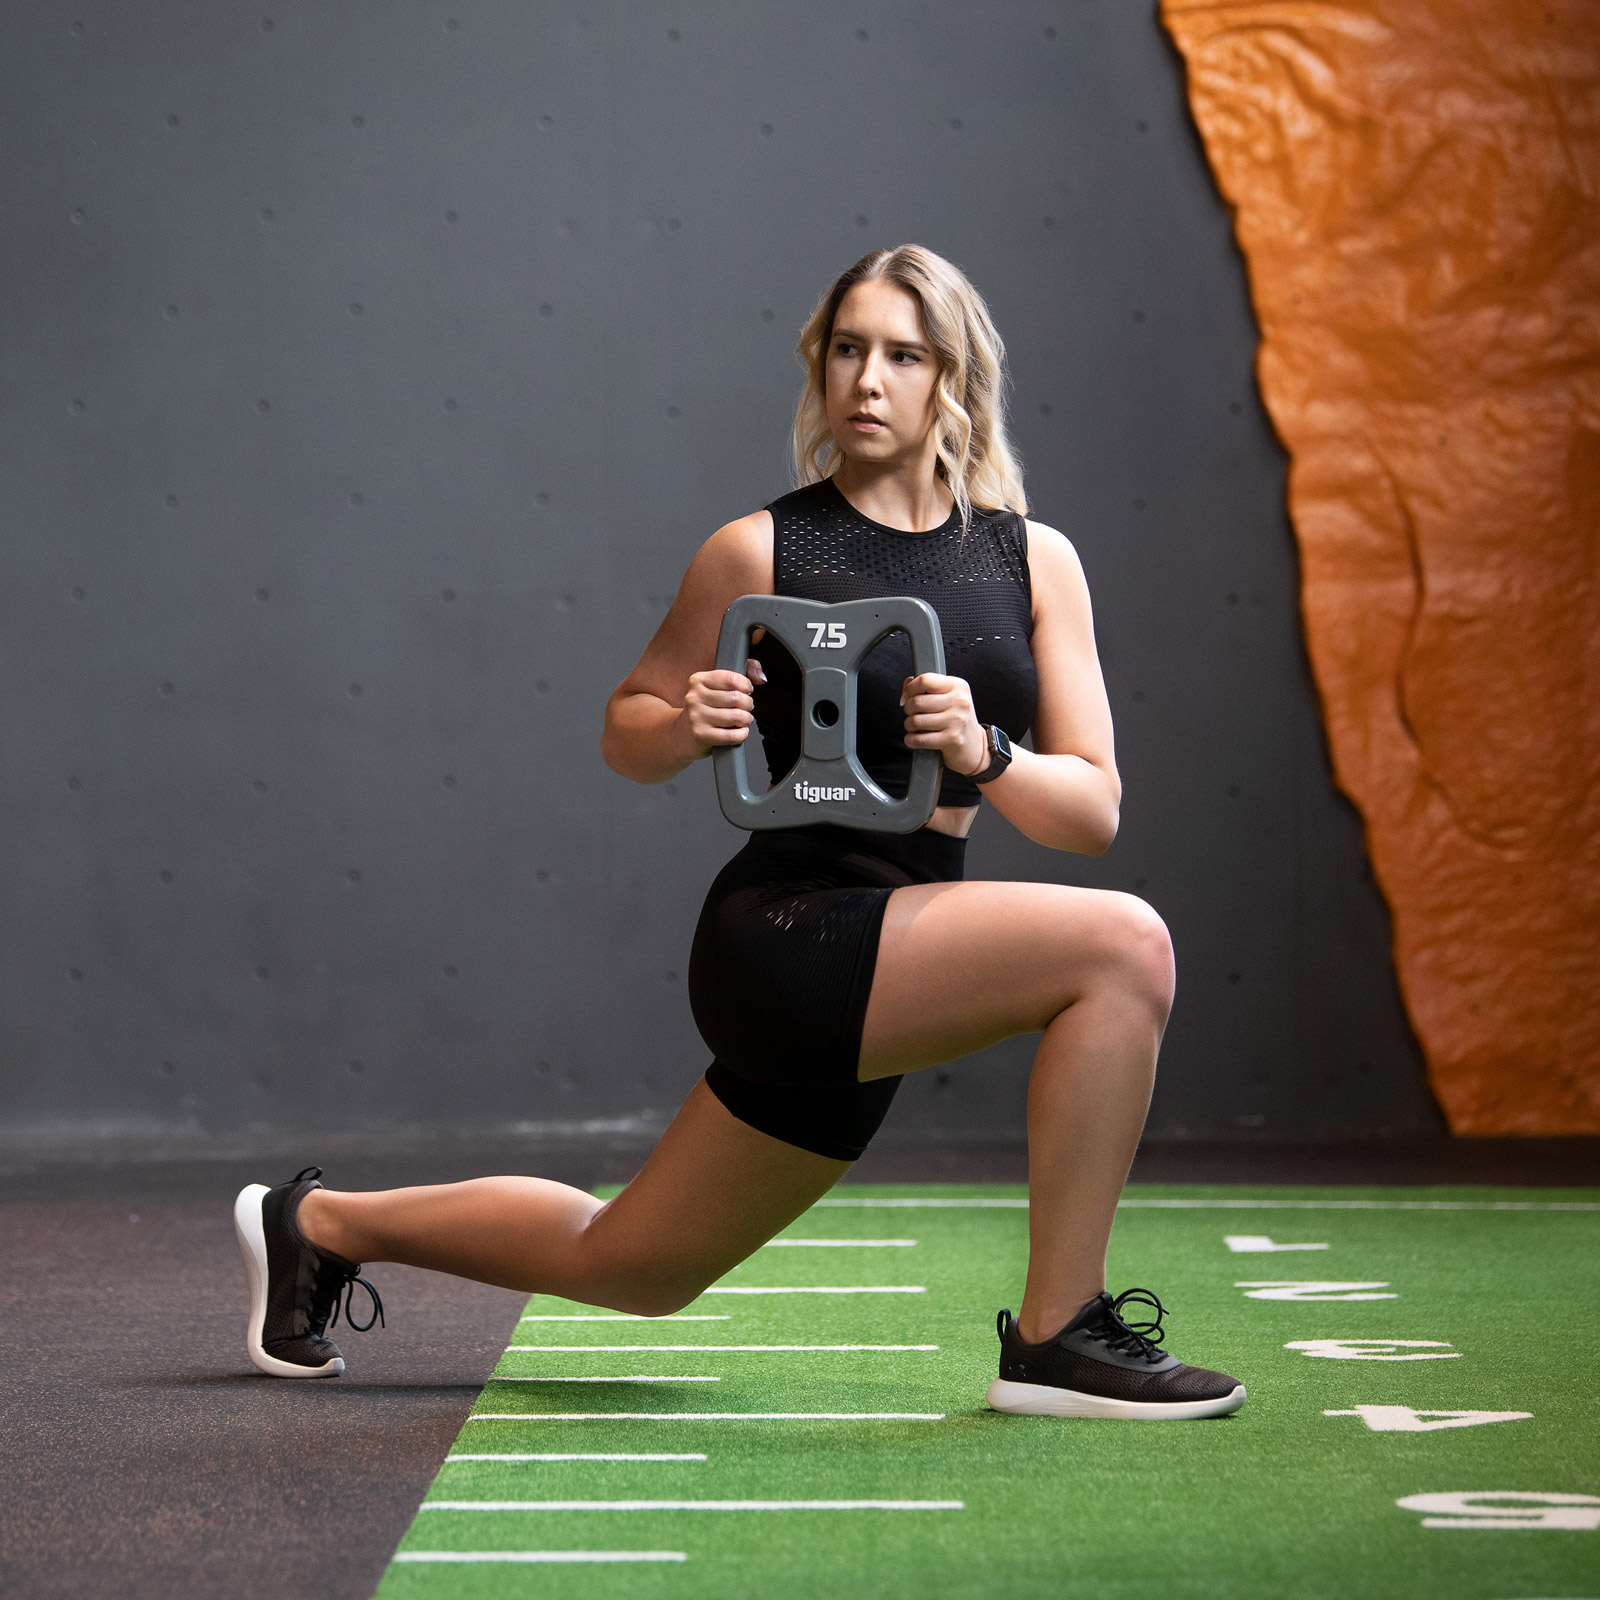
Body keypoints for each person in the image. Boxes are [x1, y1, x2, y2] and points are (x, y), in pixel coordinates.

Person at [234, 245, 1244, 1420]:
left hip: (903, 944)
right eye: (847, 349)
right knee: (1125, 947)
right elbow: (625, 729)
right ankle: (1057, 1332)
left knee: (631, 1264)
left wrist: (987, 753)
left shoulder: (1032, 560)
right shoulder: (759, 550)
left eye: (903, 355)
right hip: (789, 935)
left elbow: (1092, 811)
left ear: (952, 379)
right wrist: (687, 723)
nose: (868, 379)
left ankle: (315, 1223)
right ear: (821, 366)